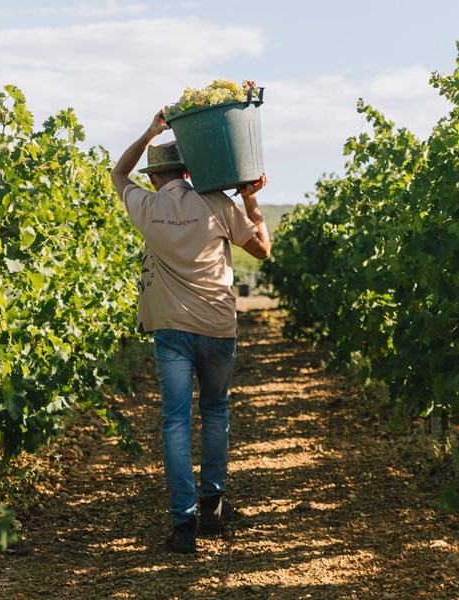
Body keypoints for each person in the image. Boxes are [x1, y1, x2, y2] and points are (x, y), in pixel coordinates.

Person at [110, 110, 271, 553]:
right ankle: (213, 509)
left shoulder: (145, 205)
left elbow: (118, 173)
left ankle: (183, 528)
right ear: (186, 171)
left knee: (175, 424)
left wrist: (149, 131)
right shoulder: (217, 202)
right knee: (216, 412)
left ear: (157, 176)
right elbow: (262, 250)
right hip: (218, 326)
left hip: (171, 331)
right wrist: (249, 198)